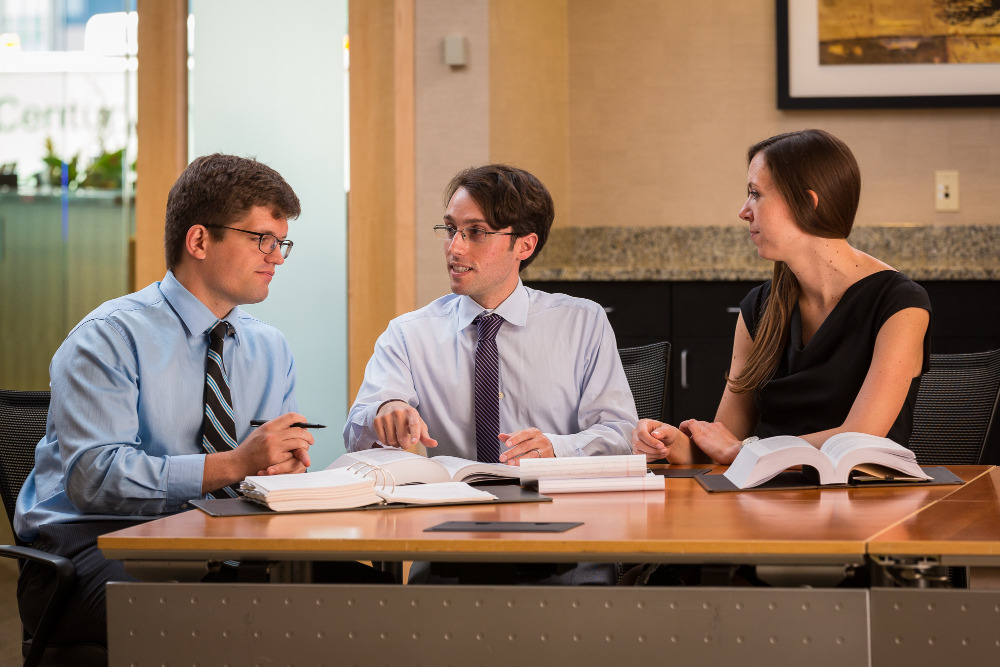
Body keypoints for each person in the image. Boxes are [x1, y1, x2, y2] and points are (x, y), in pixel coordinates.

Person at [14, 154, 317, 650]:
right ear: (198, 240)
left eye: (281, 242)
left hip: (225, 539)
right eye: (261, 239)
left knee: (365, 599)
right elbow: (94, 477)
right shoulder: (107, 338)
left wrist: (282, 470)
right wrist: (234, 464)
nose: (277, 257)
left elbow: (266, 470)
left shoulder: (271, 347)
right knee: (225, 629)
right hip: (92, 549)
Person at [345, 164, 637, 584]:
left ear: (525, 245)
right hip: (449, 549)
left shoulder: (581, 322)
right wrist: (384, 411)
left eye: (476, 232)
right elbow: (355, 432)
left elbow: (620, 435)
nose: (455, 248)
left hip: (567, 545)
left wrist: (556, 448)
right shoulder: (409, 333)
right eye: (450, 229)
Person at [632, 129, 931, 466]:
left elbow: (861, 436)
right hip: (767, 497)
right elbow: (724, 441)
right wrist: (672, 444)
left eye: (755, 194)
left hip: (866, 502)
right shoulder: (758, 308)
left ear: (807, 203)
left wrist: (745, 451)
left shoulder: (900, 305)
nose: (744, 211)